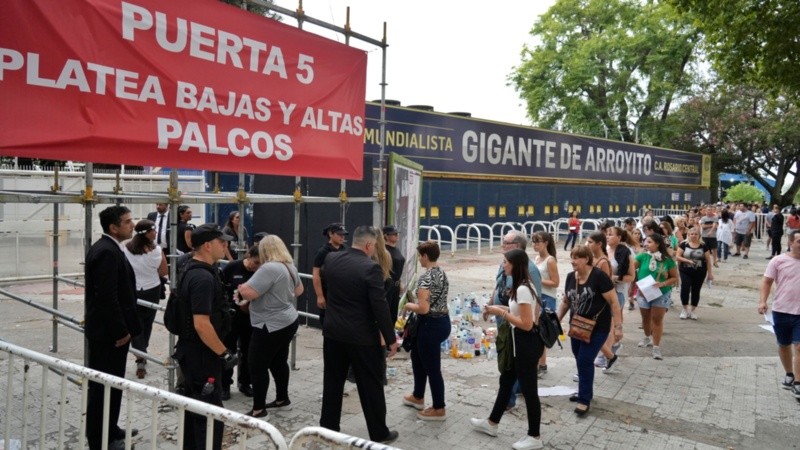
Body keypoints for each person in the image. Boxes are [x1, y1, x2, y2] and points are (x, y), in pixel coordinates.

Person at [319, 226, 399, 444]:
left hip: (333, 332)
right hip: (362, 337)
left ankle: (328, 428)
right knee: (370, 385)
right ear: (369, 245)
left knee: (332, 381)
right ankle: (379, 433)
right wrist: (391, 339)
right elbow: (380, 307)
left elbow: (329, 288)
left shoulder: (332, 259)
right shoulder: (370, 268)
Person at [471, 248, 545, 450]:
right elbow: (517, 312)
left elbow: (527, 324)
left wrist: (501, 313)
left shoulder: (523, 289)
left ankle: (535, 436)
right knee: (506, 382)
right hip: (517, 342)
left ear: (515, 265)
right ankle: (492, 423)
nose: (503, 265)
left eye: (505, 262)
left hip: (525, 343)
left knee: (529, 390)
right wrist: (497, 309)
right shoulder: (520, 285)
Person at [173, 223, 237, 450]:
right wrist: (224, 353)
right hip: (202, 355)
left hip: (195, 353)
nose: (226, 246)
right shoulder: (202, 277)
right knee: (208, 416)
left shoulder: (194, 269)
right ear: (208, 246)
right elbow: (201, 324)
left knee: (195, 410)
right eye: (222, 242)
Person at [84, 205, 141, 450]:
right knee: (102, 387)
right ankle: (100, 440)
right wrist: (121, 332)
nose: (133, 225)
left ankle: (111, 428)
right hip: (109, 335)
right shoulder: (106, 251)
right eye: (127, 222)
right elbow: (107, 297)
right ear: (113, 227)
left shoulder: (111, 247)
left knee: (113, 384)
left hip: (111, 333)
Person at [238, 235, 303, 418]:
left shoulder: (268, 268)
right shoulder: (289, 266)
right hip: (288, 320)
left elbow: (247, 293)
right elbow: (299, 290)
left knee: (257, 364)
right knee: (278, 361)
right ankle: (282, 399)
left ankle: (259, 410)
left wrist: (242, 287)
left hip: (269, 323)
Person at [556, 245, 622, 417]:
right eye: (571, 257)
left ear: (586, 259)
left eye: (576, 258)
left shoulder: (599, 277)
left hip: (598, 327)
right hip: (577, 326)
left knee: (585, 360)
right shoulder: (571, 277)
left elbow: (614, 302)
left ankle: (584, 400)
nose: (572, 261)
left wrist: (618, 327)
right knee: (579, 358)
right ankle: (584, 391)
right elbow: (566, 301)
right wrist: (557, 320)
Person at [489, 230, 541, 411]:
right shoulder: (506, 265)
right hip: (509, 325)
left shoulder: (528, 275)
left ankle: (508, 402)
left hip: (520, 333)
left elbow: (534, 305)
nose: (502, 246)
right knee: (509, 373)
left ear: (517, 246)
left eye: (506, 243)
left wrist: (534, 327)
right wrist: (493, 305)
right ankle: (495, 416)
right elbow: (498, 286)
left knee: (511, 371)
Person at [402, 241, 451, 421]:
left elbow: (423, 308)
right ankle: (418, 395)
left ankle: (439, 407)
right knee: (418, 358)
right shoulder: (441, 273)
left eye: (420, 256)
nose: (419, 260)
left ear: (425, 256)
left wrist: (408, 305)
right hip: (442, 321)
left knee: (432, 368)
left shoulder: (426, 278)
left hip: (430, 325)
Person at [123, 219, 168, 379]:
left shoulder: (126, 249)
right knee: (147, 322)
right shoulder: (157, 250)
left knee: (134, 323)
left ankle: (140, 354)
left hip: (133, 289)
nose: (156, 233)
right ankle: (142, 352)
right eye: (153, 230)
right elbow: (163, 271)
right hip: (152, 289)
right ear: (147, 233)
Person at [758, 230, 800, 398]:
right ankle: (789, 374)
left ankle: (798, 383)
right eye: (799, 241)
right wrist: (762, 301)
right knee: (784, 344)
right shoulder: (778, 261)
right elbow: (767, 281)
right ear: (790, 243)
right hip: (781, 310)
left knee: (799, 346)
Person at [220, 245, 262, 399]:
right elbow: (221, 289)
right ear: (248, 256)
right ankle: (224, 385)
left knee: (249, 351)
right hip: (232, 317)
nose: (256, 267)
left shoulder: (260, 272)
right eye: (255, 262)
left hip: (251, 317)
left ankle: (245, 382)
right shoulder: (232, 267)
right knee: (228, 351)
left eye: (260, 264)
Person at [634, 234, 679, 360]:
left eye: (649, 242)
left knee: (657, 320)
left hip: (661, 293)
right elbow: (630, 270)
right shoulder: (642, 257)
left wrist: (663, 283)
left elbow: (674, 278)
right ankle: (647, 337)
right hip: (643, 292)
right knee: (645, 318)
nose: (646, 244)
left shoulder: (668, 260)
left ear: (658, 244)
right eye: (645, 242)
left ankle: (656, 347)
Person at [602, 226, 635, 372]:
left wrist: (614, 278)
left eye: (611, 234)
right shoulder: (603, 250)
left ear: (619, 238)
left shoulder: (625, 252)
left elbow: (631, 277)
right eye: (607, 234)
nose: (607, 236)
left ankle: (607, 356)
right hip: (602, 293)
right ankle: (613, 346)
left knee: (611, 324)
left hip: (617, 292)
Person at [532, 231, 559, 376]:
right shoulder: (536, 258)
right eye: (533, 242)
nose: (535, 245)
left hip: (547, 298)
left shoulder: (550, 260)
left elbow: (555, 282)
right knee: (536, 331)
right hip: (537, 297)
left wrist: (537, 280)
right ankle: (539, 363)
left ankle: (542, 365)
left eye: (538, 242)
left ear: (546, 243)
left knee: (542, 332)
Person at [312, 222, 348, 325]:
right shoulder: (323, 251)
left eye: (343, 234)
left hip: (343, 292)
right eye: (339, 234)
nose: (342, 237)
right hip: (328, 291)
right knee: (327, 321)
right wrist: (320, 296)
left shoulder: (346, 249)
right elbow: (316, 274)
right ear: (331, 234)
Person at [676, 227, 714, 320]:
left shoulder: (703, 246)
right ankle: (685, 309)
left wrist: (710, 274)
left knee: (696, 290)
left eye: (696, 234)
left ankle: (692, 310)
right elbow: (677, 257)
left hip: (700, 272)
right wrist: (687, 260)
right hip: (685, 270)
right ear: (688, 235)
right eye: (691, 234)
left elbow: (708, 260)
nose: (693, 236)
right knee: (685, 288)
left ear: (699, 235)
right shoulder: (684, 245)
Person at [383, 225, 406, 326]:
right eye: (394, 234)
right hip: (387, 286)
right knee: (386, 314)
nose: (397, 235)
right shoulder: (384, 251)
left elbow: (396, 268)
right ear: (386, 236)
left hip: (396, 286)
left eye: (397, 233)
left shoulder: (396, 249)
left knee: (393, 314)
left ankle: (391, 333)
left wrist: (399, 282)